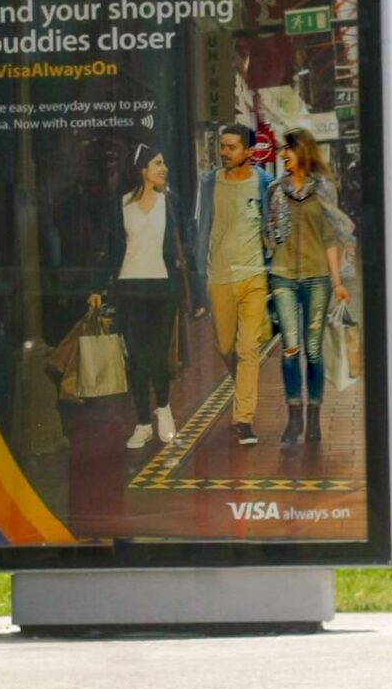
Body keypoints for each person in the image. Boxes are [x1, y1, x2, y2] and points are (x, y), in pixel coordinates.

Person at [93, 145, 195, 451]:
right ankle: (142, 424)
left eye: (164, 163)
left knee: (158, 355)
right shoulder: (121, 206)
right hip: (130, 289)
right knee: (136, 359)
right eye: (158, 163)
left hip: (164, 289)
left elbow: (185, 247)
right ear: (142, 169)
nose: (164, 168)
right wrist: (98, 287)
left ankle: (163, 411)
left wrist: (194, 293)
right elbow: (110, 251)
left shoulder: (172, 202)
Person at [265, 128, 351, 447]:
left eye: (287, 149)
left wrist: (338, 281)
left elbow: (331, 237)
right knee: (290, 349)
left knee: (313, 350)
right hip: (283, 277)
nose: (282, 154)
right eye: (281, 150)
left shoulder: (325, 190)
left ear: (303, 150)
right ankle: (293, 420)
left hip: (317, 278)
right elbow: (268, 235)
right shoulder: (274, 190)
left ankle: (313, 418)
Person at [200, 122, 272, 447]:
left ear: (248, 151)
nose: (224, 152)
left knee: (248, 349)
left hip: (254, 275)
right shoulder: (207, 184)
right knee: (226, 346)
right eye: (222, 146)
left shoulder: (264, 183)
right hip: (219, 277)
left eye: (231, 147)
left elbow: (274, 228)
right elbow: (199, 228)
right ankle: (243, 388)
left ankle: (243, 419)